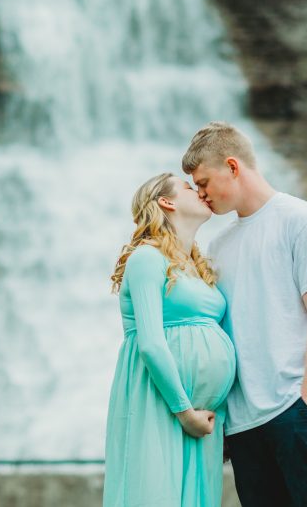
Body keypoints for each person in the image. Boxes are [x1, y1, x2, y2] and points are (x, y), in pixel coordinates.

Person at [182, 121, 307, 507]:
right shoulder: (217, 246)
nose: (200, 194)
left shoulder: (300, 220)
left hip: (296, 408)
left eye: (203, 182)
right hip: (243, 425)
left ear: (232, 166)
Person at [102, 172, 236, 507]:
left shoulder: (198, 267)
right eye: (190, 187)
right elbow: (150, 343)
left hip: (205, 416)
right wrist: (184, 412)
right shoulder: (147, 258)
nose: (201, 192)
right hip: (163, 402)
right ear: (166, 202)